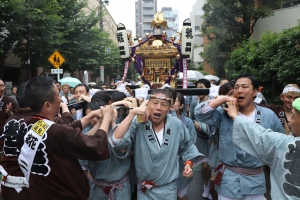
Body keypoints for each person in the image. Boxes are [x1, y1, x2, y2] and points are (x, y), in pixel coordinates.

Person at [13, 77, 111, 199]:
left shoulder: (26, 124)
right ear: (47, 105)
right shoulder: (57, 132)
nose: (61, 100)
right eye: (58, 95)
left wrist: (90, 115)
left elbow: (65, 129)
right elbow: (96, 147)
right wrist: (106, 119)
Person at [195, 74, 284, 200]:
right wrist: (224, 98)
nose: (239, 90)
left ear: (255, 92)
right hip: (228, 180)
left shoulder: (268, 115)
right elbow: (200, 113)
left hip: (255, 181)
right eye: (236, 87)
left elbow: (280, 145)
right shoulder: (223, 114)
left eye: (244, 87)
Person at [109, 89, 204, 199]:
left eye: (164, 104)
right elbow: (118, 142)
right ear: (148, 104)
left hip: (168, 189)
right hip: (145, 190)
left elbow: (187, 147)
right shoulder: (138, 123)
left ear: (170, 107)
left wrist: (188, 164)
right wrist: (133, 113)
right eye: (154, 103)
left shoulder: (177, 124)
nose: (158, 107)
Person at [225, 97, 300, 200]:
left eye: (292, 116)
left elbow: (260, 136)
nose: (289, 120)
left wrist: (236, 117)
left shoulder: (287, 145)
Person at [171, 92, 197, 200]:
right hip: (167, 164)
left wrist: (188, 162)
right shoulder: (160, 121)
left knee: (181, 195)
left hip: (182, 163)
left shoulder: (188, 122)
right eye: (169, 100)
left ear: (181, 105)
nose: (171, 103)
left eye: (174, 100)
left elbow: (191, 143)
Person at [190, 78, 212, 200]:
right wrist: (195, 123)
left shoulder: (213, 101)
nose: (199, 89)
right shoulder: (194, 102)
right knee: (204, 166)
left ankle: (213, 186)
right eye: (197, 86)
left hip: (213, 139)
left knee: (213, 166)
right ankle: (206, 184)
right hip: (200, 138)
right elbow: (192, 117)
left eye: (201, 86)